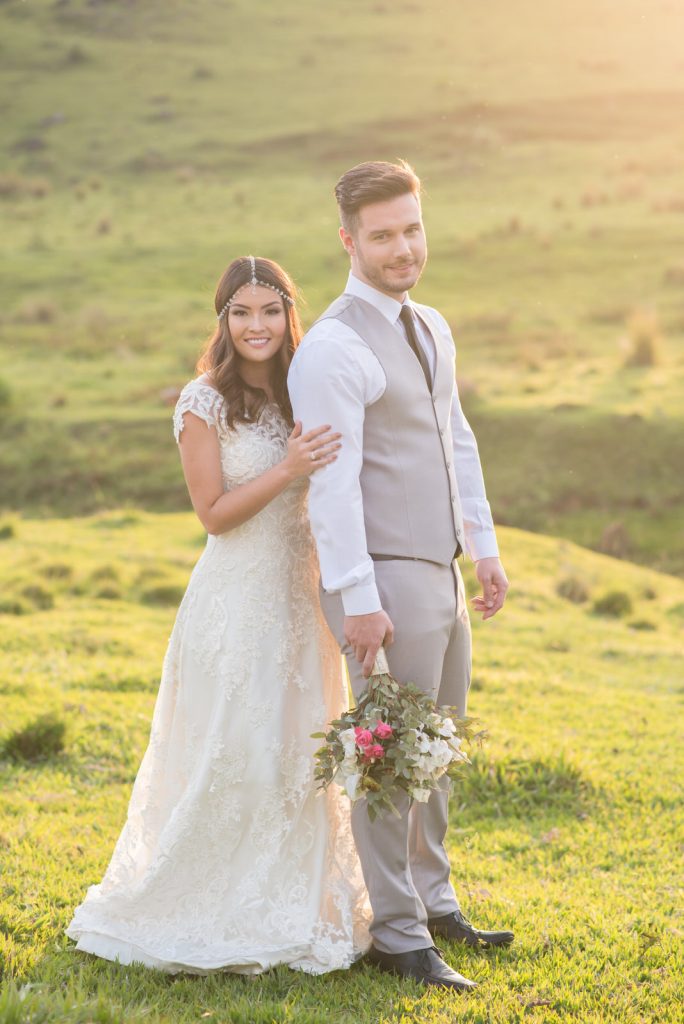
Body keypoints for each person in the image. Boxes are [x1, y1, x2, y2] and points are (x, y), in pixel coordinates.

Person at [67, 256, 371, 975]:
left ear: (290, 315)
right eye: (242, 313)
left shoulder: (307, 391)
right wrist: (287, 469)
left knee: (302, 751)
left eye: (270, 311)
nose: (257, 326)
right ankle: (209, 898)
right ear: (224, 321)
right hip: (236, 603)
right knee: (237, 749)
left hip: (305, 600)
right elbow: (213, 515)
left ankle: (302, 898)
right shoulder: (203, 402)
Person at [288, 161, 513, 992]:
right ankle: (396, 934)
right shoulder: (334, 346)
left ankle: (433, 900)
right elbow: (333, 485)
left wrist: (482, 545)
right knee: (389, 760)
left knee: (436, 749)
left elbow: (455, 435)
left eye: (411, 229)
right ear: (348, 241)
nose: (402, 248)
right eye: (382, 235)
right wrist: (359, 598)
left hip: (441, 570)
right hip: (382, 576)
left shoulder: (433, 326)